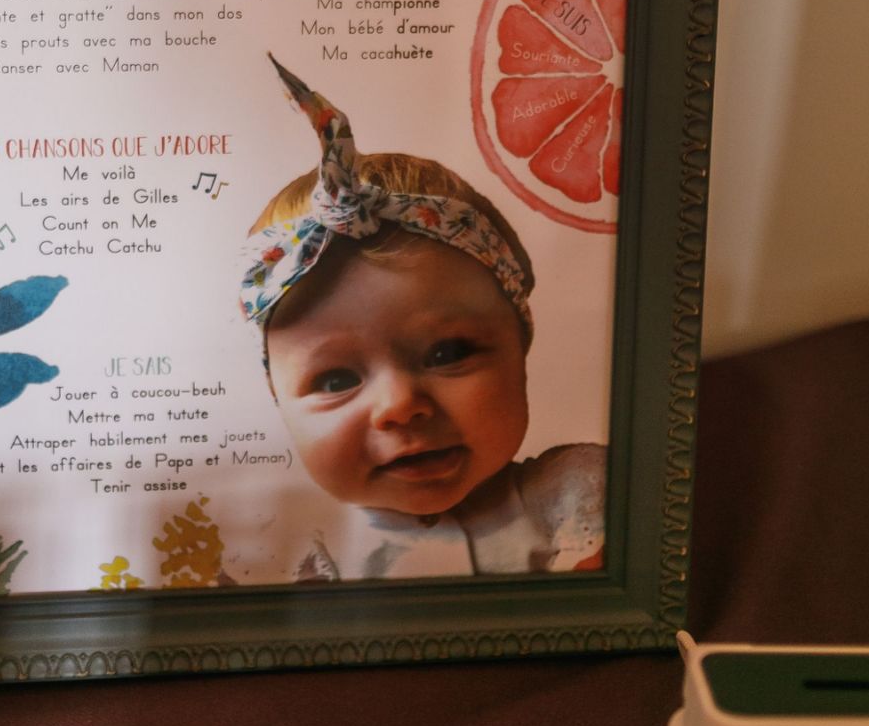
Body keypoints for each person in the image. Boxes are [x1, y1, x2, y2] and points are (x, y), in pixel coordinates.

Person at [239, 57, 604, 580]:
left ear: (520, 343)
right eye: (336, 380)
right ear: (278, 399)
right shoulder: (277, 555)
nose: (400, 406)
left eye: (447, 353)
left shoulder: (582, 500)